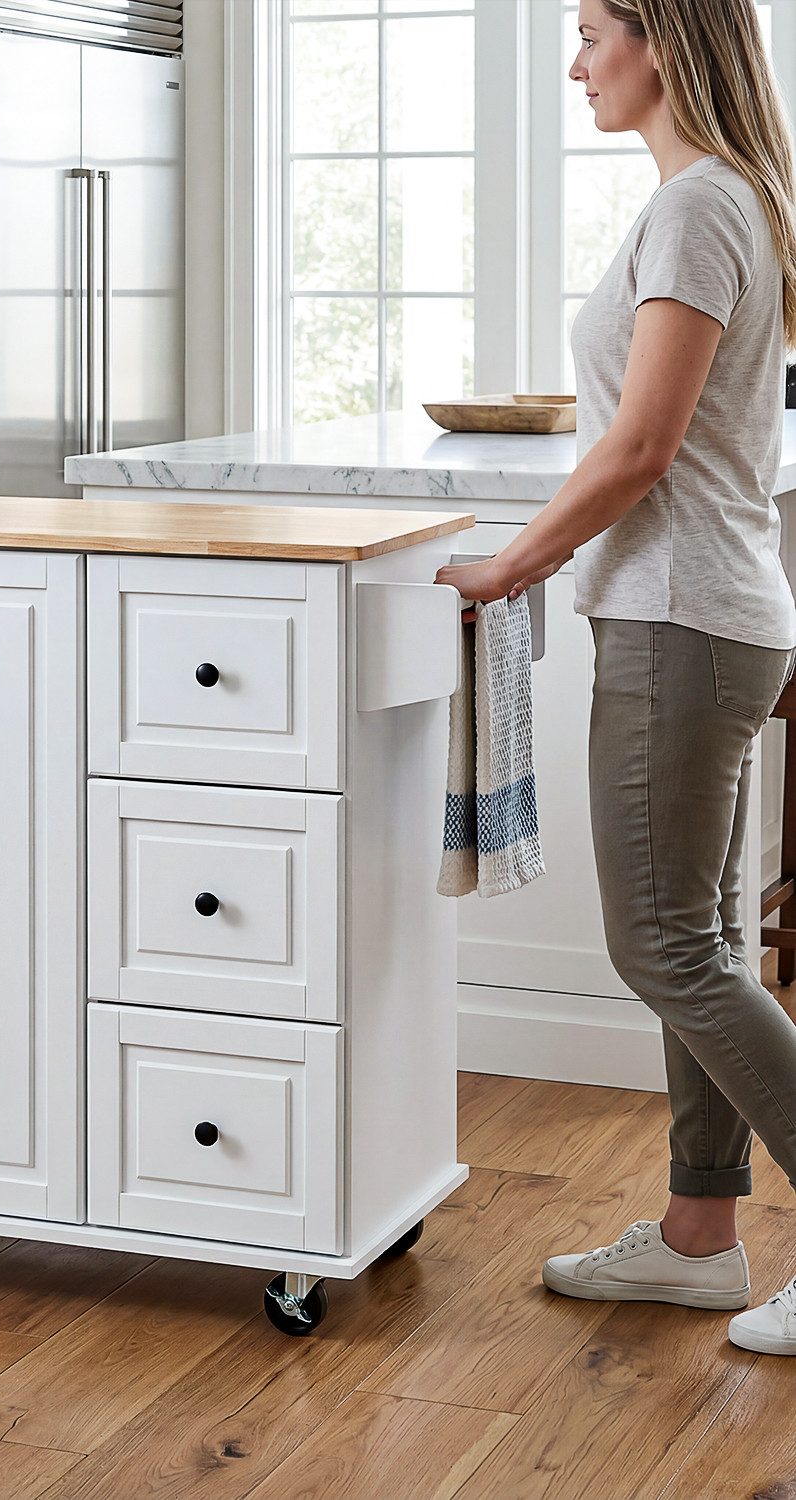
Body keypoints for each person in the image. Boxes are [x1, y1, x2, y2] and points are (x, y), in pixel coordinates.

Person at [435, 0, 796, 1356]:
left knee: (664, 947)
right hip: (711, 615)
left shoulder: (702, 206)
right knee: (696, 941)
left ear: (670, 42)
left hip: (680, 621)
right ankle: (703, 1236)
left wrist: (510, 567)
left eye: (596, 30)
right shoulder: (720, 198)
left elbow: (642, 445)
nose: (576, 60)